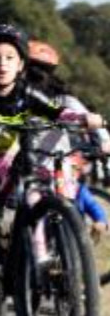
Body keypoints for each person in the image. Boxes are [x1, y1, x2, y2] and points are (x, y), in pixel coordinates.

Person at [0, 24, 102, 316]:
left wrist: (83, 118)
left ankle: (32, 259)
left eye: (9, 57)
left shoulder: (27, 91)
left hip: (7, 154)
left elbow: (58, 112)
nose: (1, 64)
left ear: (20, 64)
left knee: (34, 198)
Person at [23, 40, 108, 237]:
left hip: (58, 165)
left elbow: (90, 118)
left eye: (45, 69)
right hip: (23, 165)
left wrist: (104, 139)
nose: (38, 75)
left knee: (70, 203)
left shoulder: (64, 100)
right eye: (32, 68)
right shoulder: (14, 97)